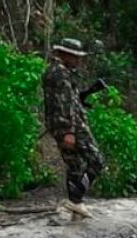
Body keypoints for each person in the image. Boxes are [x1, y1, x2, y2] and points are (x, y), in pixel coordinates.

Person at [43, 38, 105, 220]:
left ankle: (75, 205)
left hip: (60, 125)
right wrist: (68, 131)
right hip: (71, 126)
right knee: (97, 161)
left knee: (75, 164)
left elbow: (67, 100)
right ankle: (75, 199)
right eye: (75, 56)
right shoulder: (60, 74)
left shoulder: (56, 72)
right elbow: (64, 104)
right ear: (65, 54)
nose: (78, 60)